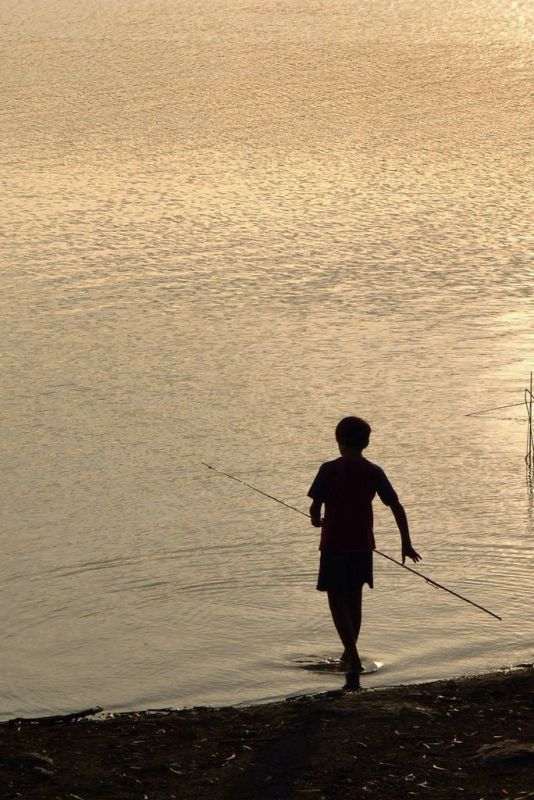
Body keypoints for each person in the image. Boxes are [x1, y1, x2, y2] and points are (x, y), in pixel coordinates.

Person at [308, 416, 421, 684]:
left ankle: (354, 657)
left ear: (340, 441)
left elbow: (315, 507)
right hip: (362, 545)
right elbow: (396, 506)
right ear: (366, 443)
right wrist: (406, 542)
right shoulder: (374, 471)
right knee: (354, 598)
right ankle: (349, 653)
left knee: (336, 599)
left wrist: (315, 519)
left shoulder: (328, 469)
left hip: (334, 544)